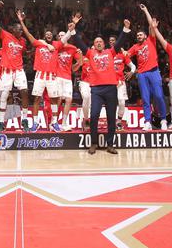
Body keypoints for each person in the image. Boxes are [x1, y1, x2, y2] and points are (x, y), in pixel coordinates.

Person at [67, 16, 130, 154]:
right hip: (96, 89)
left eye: (101, 41)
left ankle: (110, 144)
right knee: (94, 115)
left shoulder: (110, 52)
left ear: (104, 44)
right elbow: (79, 42)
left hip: (111, 88)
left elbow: (119, 43)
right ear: (94, 45)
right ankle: (93, 143)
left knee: (111, 118)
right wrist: (72, 31)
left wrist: (125, 29)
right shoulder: (89, 53)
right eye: (96, 42)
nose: (99, 43)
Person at [16, 10, 61, 132]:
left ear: (53, 36)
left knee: (54, 100)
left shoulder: (57, 45)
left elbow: (66, 37)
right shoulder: (38, 44)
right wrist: (21, 21)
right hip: (40, 75)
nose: (48, 35)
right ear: (44, 36)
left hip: (52, 76)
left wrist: (73, 26)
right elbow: (28, 34)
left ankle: (54, 123)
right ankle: (35, 123)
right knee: (36, 99)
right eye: (46, 34)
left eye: (50, 34)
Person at [126, 4, 168, 130]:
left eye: (140, 35)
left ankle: (163, 120)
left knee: (159, 96)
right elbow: (126, 56)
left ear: (145, 36)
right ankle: (147, 121)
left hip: (154, 72)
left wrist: (146, 11)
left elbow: (151, 26)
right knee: (145, 98)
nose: (139, 36)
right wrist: (133, 68)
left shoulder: (151, 40)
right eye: (137, 35)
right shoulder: (135, 47)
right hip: (142, 74)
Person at [0, 21, 30, 131]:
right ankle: (1, 122)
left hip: (19, 69)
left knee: (24, 91)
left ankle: (24, 119)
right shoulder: (6, 35)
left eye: (21, 30)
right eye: (19, 29)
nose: (21, 31)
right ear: (13, 30)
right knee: (4, 95)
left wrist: (31, 53)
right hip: (7, 70)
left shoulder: (23, 41)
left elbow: (23, 52)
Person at [55, 31, 82, 131]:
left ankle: (64, 123)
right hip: (57, 77)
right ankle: (54, 122)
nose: (62, 37)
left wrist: (80, 56)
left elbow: (78, 65)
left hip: (67, 77)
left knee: (69, 99)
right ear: (58, 37)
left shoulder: (73, 48)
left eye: (63, 35)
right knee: (58, 100)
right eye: (60, 35)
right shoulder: (56, 47)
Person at [110, 37, 135, 130]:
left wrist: (131, 72)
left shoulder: (123, 54)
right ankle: (111, 122)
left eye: (113, 40)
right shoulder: (107, 53)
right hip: (110, 82)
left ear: (117, 42)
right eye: (110, 41)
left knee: (121, 101)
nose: (112, 42)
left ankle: (119, 121)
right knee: (111, 103)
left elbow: (133, 66)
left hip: (120, 82)